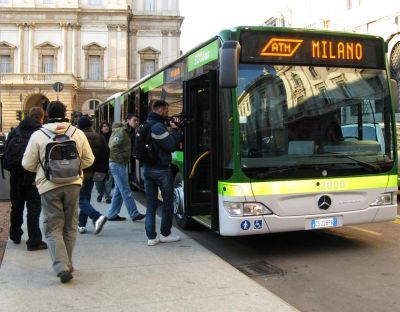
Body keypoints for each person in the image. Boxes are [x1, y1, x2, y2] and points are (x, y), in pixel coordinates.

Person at [22, 101, 94, 283]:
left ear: (46, 114)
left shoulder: (39, 134)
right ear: (66, 113)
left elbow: (27, 164)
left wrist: (47, 169)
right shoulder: (76, 133)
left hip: (49, 185)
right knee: (70, 226)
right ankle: (68, 263)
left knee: (53, 226)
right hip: (74, 184)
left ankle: (61, 266)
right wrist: (73, 169)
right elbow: (89, 159)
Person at [5, 107, 47, 251]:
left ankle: (15, 235)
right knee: (33, 208)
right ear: (41, 117)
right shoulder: (41, 133)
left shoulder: (15, 131)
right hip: (33, 175)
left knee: (16, 207)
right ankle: (34, 240)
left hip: (15, 176)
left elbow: (6, 154)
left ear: (29, 115)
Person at [141, 100, 183, 246]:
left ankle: (151, 237)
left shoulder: (145, 124)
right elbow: (171, 146)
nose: (167, 113)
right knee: (167, 201)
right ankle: (165, 233)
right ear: (160, 109)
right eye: (166, 110)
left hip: (146, 169)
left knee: (151, 203)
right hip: (161, 169)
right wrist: (176, 130)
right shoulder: (157, 127)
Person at [106, 115, 145, 222]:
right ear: (128, 120)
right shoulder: (121, 131)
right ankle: (134, 214)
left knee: (119, 190)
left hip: (119, 163)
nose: (136, 122)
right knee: (126, 190)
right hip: (117, 163)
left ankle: (112, 214)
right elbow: (113, 147)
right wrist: (121, 160)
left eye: (137, 120)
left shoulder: (129, 132)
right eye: (134, 120)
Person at [77, 116, 109, 235]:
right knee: (86, 198)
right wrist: (104, 172)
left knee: (80, 200)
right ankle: (82, 224)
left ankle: (97, 217)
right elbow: (106, 154)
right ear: (90, 125)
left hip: (81, 172)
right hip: (95, 172)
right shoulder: (100, 137)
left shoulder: (78, 137)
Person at [95, 121, 113, 204]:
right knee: (98, 181)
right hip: (99, 162)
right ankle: (101, 193)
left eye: (107, 126)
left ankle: (108, 196)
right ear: (101, 129)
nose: (106, 127)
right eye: (104, 126)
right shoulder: (98, 138)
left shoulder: (112, 137)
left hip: (109, 161)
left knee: (108, 181)